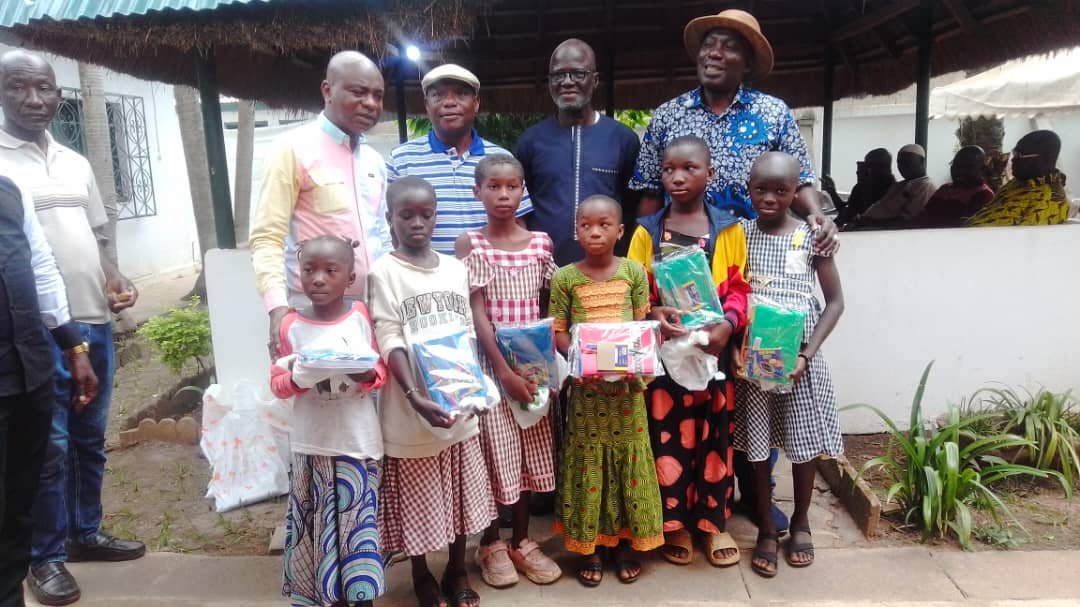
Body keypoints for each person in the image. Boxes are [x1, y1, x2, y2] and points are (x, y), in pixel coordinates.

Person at [632, 8, 839, 536]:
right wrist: (648, 269)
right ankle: (696, 501)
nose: (712, 53)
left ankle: (755, 498)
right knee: (694, 393)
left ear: (747, 59)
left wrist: (818, 216)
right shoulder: (669, 115)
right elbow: (649, 198)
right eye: (707, 45)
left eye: (726, 46)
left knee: (746, 386)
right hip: (682, 272)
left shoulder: (773, 113)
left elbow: (802, 179)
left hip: (749, 268)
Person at [0, 50, 142, 607]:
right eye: (19, 88)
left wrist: (114, 277)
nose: (35, 100)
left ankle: (85, 533)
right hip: (36, 336)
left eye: (45, 89)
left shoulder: (75, 161)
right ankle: (45, 556)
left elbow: (96, 236)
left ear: (60, 94)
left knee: (89, 440)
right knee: (49, 446)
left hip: (93, 320)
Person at [369, 176, 495, 607]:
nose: (417, 223)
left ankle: (457, 567)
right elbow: (389, 336)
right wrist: (412, 395)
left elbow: (466, 335)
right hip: (412, 410)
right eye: (407, 215)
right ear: (390, 219)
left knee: (459, 493)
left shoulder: (455, 269)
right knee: (420, 500)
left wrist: (475, 388)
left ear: (436, 216)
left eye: (426, 214)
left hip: (458, 405)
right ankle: (421, 572)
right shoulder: (383, 273)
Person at [627, 136, 748, 568]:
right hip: (667, 358)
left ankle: (713, 525)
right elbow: (634, 289)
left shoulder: (729, 229)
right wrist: (653, 311)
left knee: (714, 440)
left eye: (689, 168)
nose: (677, 177)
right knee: (669, 441)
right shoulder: (647, 230)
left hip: (713, 356)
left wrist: (728, 326)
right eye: (668, 169)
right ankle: (675, 524)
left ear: (709, 174)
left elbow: (738, 287)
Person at [734, 152, 844, 578]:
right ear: (749, 189)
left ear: (795, 192)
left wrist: (806, 354)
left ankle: (800, 521)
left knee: (802, 444)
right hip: (755, 354)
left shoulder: (812, 236)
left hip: (799, 356)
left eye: (781, 191)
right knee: (758, 447)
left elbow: (835, 302)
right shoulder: (739, 234)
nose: (769, 198)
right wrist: (733, 349)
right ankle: (765, 526)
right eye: (760, 189)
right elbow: (729, 291)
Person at [454, 155, 561, 588]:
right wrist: (502, 371)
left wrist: (547, 367)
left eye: (512, 186)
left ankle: (522, 540)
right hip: (490, 366)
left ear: (523, 191)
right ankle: (491, 543)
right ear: (477, 192)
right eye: (493, 186)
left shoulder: (540, 243)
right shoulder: (471, 244)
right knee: (495, 454)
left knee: (530, 451)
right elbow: (477, 314)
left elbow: (549, 306)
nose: (503, 195)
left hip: (533, 364)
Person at [549, 195, 663, 587]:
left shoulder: (633, 272)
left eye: (603, 225)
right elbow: (559, 331)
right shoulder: (565, 277)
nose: (594, 232)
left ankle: (627, 543)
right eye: (585, 225)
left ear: (620, 230)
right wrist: (585, 356)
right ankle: (591, 546)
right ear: (576, 229)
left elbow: (641, 326)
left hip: (628, 392)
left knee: (628, 463)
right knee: (588, 464)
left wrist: (623, 359)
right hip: (587, 393)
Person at [270, 235, 389, 607]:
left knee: (357, 527)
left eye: (330, 271)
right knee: (316, 525)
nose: (318, 279)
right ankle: (326, 595)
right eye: (309, 270)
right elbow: (277, 383)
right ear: (298, 274)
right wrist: (298, 379)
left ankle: (361, 596)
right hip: (312, 445)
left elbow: (380, 372)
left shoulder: (360, 317)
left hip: (356, 444)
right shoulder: (290, 325)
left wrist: (363, 375)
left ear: (349, 278)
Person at [251, 50, 391, 357]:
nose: (371, 103)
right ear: (327, 90)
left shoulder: (374, 161)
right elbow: (267, 237)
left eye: (377, 95)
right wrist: (277, 307)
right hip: (313, 309)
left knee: (370, 399)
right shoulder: (291, 149)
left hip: (372, 307)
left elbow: (382, 235)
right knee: (321, 398)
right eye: (359, 92)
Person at [0, 175, 97, 607]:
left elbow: (40, 266)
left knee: (20, 505)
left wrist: (73, 346)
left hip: (30, 372)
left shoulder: (9, 189)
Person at [516, 39, 641, 264]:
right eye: (558, 75)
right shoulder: (531, 141)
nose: (567, 82)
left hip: (608, 273)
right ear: (549, 82)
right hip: (544, 270)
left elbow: (632, 208)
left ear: (595, 80)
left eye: (578, 74)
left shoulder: (622, 139)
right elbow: (521, 209)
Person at [387, 64, 532, 255]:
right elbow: (387, 228)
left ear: (476, 103)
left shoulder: (501, 159)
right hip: (425, 280)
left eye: (461, 94)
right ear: (426, 104)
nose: (449, 102)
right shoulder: (401, 159)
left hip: (490, 280)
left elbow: (518, 222)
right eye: (438, 95)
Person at [968, 130, 1070, 227]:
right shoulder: (1018, 183)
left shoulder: (1049, 201)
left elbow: (1019, 241)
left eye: (1019, 155)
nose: (1012, 159)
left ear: (1044, 159)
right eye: (1014, 153)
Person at [913, 146, 994, 228]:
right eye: (956, 165)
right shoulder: (944, 189)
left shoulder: (984, 195)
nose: (959, 171)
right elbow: (923, 216)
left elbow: (963, 227)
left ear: (982, 170)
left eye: (967, 167)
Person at [855, 144, 935, 227]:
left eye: (908, 162)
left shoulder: (925, 186)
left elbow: (907, 221)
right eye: (899, 163)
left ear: (921, 162)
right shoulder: (900, 185)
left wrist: (870, 223)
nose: (902, 166)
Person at [828, 148, 896, 226]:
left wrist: (866, 188)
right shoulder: (861, 186)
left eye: (870, 165)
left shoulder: (893, 189)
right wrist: (832, 192)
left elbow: (872, 215)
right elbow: (847, 211)